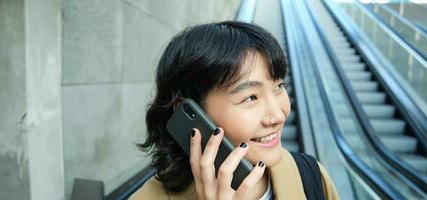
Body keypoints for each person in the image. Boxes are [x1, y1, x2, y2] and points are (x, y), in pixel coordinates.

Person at [131, 21, 338, 200]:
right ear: (190, 112)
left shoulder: (311, 176)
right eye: (250, 97)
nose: (277, 116)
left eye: (278, 86)